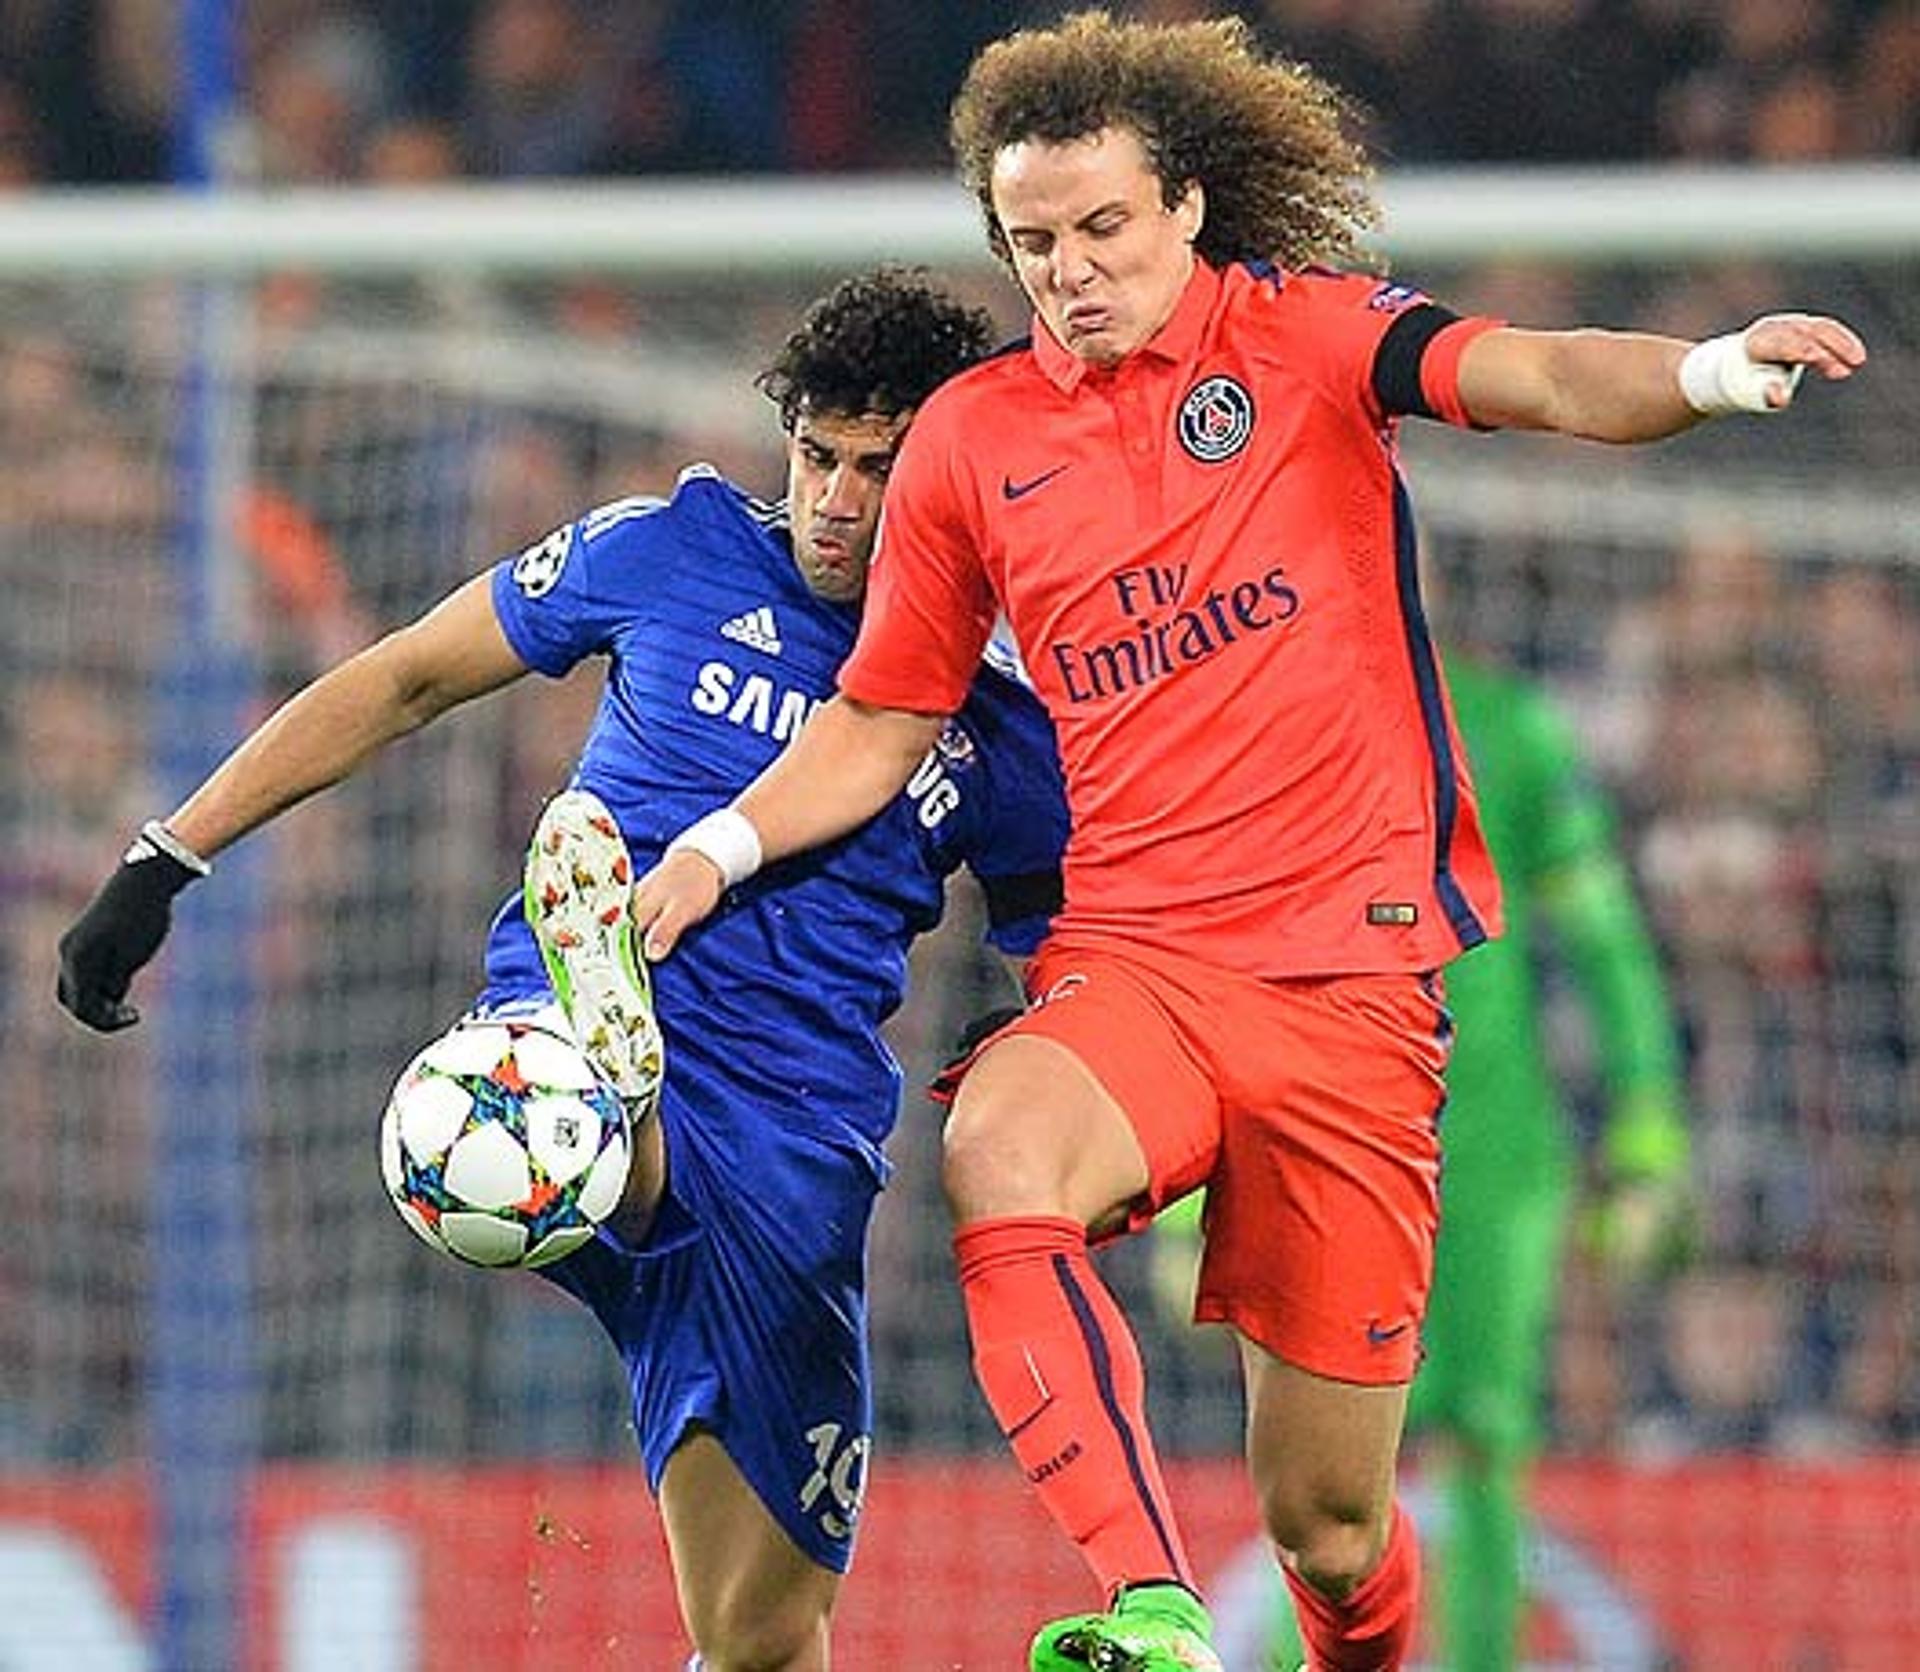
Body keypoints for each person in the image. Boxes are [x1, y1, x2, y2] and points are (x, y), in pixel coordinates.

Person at [621, 12, 1867, 1670]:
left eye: (1102, 229)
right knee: (999, 1138)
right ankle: (1147, 1607)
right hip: (1142, 966)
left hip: (1354, 999)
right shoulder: (974, 448)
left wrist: (1711, 372)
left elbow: (1544, 372)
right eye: (1034, 242)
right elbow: (880, 719)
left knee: (1332, 1530)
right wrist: (711, 851)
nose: (1069, 271)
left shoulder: (1310, 341)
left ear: (1190, 207)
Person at [53, 267, 1070, 1672]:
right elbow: (408, 673)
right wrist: (169, 855)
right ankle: (612, 1102)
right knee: (523, 1121)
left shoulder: (1006, 711)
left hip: (796, 1147)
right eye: (816, 455)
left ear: (960, 472)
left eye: (878, 470)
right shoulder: (674, 551)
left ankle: (624, 1122)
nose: (836, 500)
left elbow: (1061, 955)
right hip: (565, 1046)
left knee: (767, 1633)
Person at [1151, 646, 1692, 1671]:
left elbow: (1607, 941)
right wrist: (1184, 1206)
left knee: (1484, 1448)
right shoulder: (1258, 732)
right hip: (1323, 1145)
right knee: (1314, 1450)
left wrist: (1647, 1131)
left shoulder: (1511, 730)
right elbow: (1199, 967)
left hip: (1493, 1165)